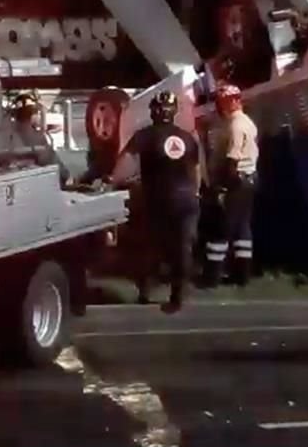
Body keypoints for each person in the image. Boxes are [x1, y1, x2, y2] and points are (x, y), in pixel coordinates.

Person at [109, 91, 201, 314]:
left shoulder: (144, 136)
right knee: (183, 248)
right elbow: (197, 169)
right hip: (187, 199)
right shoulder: (188, 137)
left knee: (151, 245)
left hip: (159, 199)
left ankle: (146, 291)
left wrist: (111, 180)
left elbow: (125, 163)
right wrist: (196, 193)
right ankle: (178, 296)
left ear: (153, 111)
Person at [202, 84, 259, 288]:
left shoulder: (236, 126)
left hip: (236, 181)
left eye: (221, 102)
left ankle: (211, 277)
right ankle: (242, 275)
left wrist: (222, 188)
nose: (219, 107)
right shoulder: (247, 122)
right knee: (243, 228)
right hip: (250, 179)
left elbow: (232, 160)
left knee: (221, 228)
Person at [0, 92, 71, 187]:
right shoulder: (36, 137)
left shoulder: (3, 135)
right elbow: (58, 169)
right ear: (33, 115)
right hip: (37, 181)